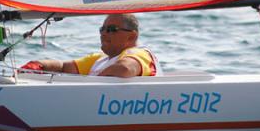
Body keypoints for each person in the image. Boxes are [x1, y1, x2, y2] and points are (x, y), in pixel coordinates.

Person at [20, 14, 161, 77]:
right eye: (102, 29)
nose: (104, 33)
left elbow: (124, 69)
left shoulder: (140, 53)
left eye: (111, 29)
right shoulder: (99, 60)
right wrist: (38, 65)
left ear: (132, 36)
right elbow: (63, 67)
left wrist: (93, 80)